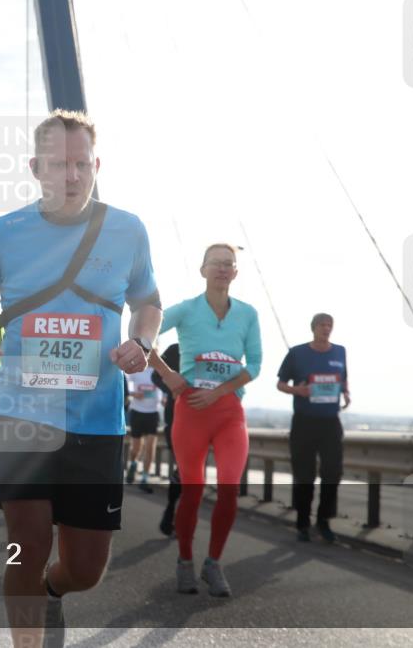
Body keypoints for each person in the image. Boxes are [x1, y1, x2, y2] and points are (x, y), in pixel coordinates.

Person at [0, 109, 162, 646]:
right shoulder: (4, 232)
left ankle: (51, 592)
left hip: (97, 419)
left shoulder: (128, 229)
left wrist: (141, 342)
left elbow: (148, 305)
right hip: (22, 412)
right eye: (58, 165)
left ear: (97, 164)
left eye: (81, 164)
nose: (71, 176)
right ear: (34, 167)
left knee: (86, 569)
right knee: (28, 541)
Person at [150, 243, 261, 598]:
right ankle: (184, 560)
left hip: (229, 412)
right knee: (192, 489)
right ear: (203, 270)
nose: (223, 269)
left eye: (229, 264)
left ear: (236, 272)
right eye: (216, 263)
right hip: (191, 410)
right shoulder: (185, 310)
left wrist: (219, 392)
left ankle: (213, 563)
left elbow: (255, 365)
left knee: (230, 488)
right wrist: (168, 375)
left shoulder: (247, 314)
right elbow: (141, 337)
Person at [277, 313, 350, 544]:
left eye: (330, 325)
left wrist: (346, 392)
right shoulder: (297, 353)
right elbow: (280, 384)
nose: (326, 329)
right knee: (304, 475)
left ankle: (324, 521)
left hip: (330, 422)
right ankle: (302, 523)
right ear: (313, 328)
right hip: (304, 422)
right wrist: (297, 391)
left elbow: (343, 379)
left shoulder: (340, 351)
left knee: (332, 472)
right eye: (322, 325)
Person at [151, 343, 182, 536]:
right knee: (185, 468)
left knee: (192, 472)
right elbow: (156, 375)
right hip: (176, 417)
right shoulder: (175, 350)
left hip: (204, 418)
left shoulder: (215, 350)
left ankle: (180, 516)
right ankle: (171, 512)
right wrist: (171, 386)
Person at [125, 366, 161, 492]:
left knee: (150, 447)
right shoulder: (137, 369)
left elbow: (165, 388)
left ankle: (144, 478)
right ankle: (133, 464)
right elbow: (123, 383)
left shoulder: (159, 370)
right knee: (136, 448)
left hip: (153, 413)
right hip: (137, 412)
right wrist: (133, 393)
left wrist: (165, 398)